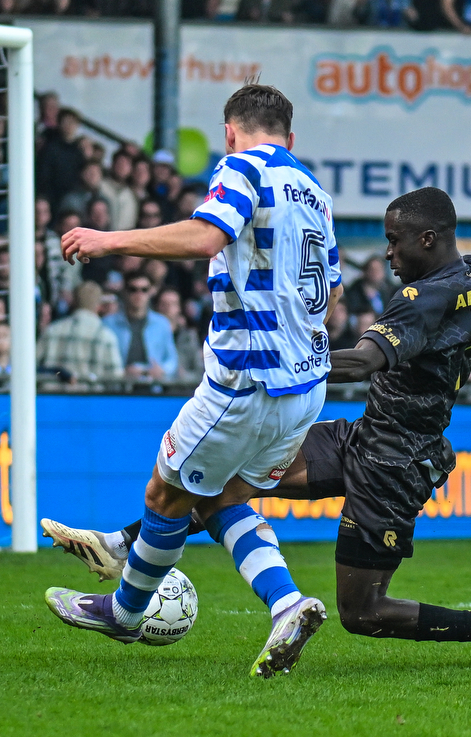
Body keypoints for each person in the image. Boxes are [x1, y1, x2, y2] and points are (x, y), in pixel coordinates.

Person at [45, 187, 471, 671]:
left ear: (428, 238)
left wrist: (280, 357)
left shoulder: (421, 299)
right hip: (363, 437)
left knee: (362, 613)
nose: (387, 254)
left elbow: (364, 361)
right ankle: (123, 547)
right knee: (223, 482)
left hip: (397, 464)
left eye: (394, 242)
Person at [43, 83, 344, 679]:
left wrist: (109, 240)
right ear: (291, 136)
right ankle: (286, 603)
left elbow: (208, 235)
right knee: (220, 497)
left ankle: (125, 611)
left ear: (229, 133)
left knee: (164, 495)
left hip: (247, 382)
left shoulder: (242, 167)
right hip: (307, 386)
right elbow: (332, 293)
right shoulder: (315, 193)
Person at [103, 271, 178, 382]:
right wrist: (121, 372)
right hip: (117, 385)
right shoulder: (108, 323)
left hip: (153, 385)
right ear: (125, 292)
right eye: (133, 289)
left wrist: (161, 370)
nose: (139, 295)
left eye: (144, 290)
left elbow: (172, 359)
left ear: (150, 292)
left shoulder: (162, 324)